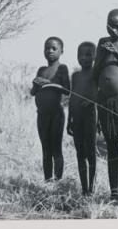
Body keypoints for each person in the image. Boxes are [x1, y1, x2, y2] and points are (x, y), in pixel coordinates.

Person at [92, 9, 118, 201]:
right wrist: (104, 53)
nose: (113, 29)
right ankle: (114, 193)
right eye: (109, 24)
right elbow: (95, 72)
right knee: (111, 147)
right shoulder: (102, 43)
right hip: (105, 101)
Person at [30, 37, 70, 182]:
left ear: (62, 51)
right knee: (45, 149)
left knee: (56, 149)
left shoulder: (62, 68)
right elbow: (33, 92)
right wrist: (35, 84)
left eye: (54, 48)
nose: (50, 51)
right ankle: (47, 181)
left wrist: (49, 82)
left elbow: (67, 90)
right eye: (47, 48)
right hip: (42, 115)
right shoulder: (41, 69)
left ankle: (57, 181)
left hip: (56, 114)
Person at [67, 42, 98, 196]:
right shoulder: (76, 76)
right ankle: (84, 188)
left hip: (90, 116)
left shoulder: (96, 74)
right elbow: (72, 97)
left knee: (91, 153)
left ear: (95, 56)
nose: (84, 58)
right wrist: (69, 120)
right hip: (77, 118)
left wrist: (92, 102)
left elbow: (100, 95)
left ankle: (92, 188)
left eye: (88, 54)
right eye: (81, 55)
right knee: (80, 154)